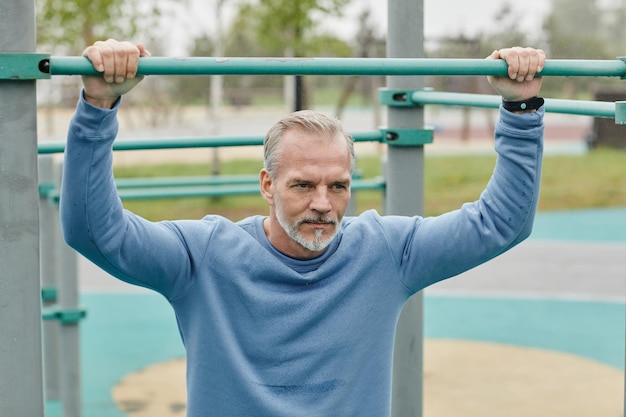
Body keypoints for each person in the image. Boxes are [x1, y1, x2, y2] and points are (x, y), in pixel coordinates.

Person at [61, 39, 546, 417]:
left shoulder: (385, 251)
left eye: (338, 186)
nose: (323, 205)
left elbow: (500, 222)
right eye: (302, 185)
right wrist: (98, 107)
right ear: (268, 185)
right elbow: (94, 231)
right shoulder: (204, 256)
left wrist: (521, 109)